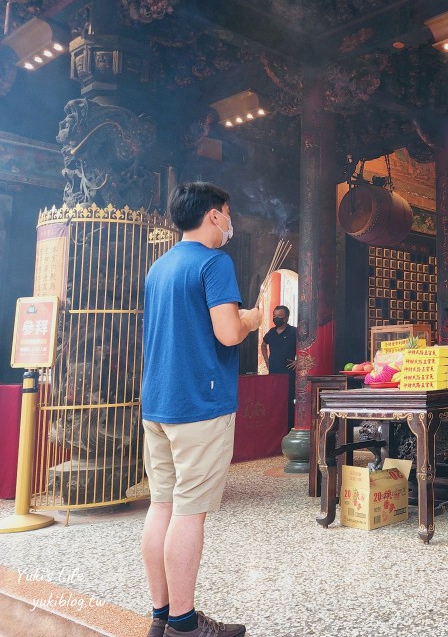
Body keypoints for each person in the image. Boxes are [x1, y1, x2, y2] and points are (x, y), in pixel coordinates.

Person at [140, 182, 262, 637]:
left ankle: (160, 615)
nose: (230, 223)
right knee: (190, 512)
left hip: (157, 402)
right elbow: (228, 332)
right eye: (227, 214)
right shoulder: (215, 262)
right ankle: (185, 624)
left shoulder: (159, 268)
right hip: (199, 404)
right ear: (214, 215)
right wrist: (252, 318)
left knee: (162, 506)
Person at [261, 304, 297, 430]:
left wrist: (298, 362)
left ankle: (289, 427)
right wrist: (267, 361)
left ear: (286, 318)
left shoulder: (294, 332)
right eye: (274, 316)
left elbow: (305, 348)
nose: (276, 318)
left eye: (280, 316)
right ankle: (275, 427)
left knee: (288, 401)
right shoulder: (271, 332)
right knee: (274, 399)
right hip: (274, 372)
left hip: (289, 373)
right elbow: (263, 345)